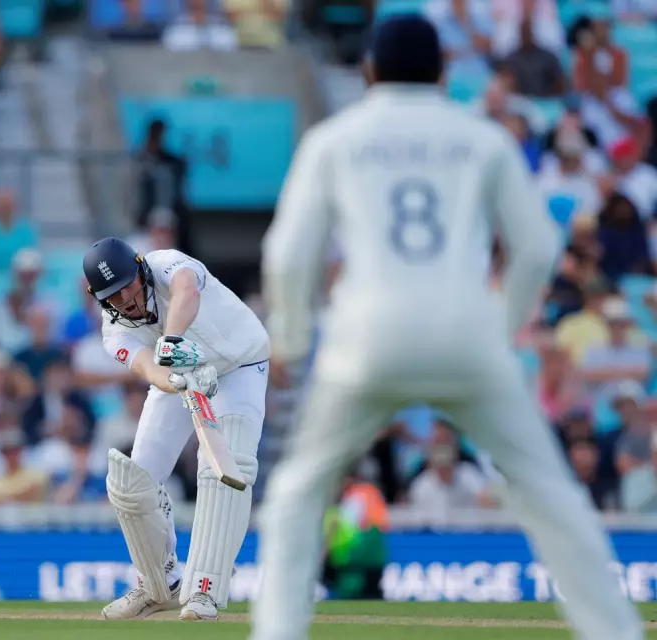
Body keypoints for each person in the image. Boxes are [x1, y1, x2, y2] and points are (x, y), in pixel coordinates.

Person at [251, 14, 643, 640]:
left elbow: (289, 255)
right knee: (551, 494)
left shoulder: (335, 138)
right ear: (442, 73)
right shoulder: (481, 138)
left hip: (366, 338)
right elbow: (538, 248)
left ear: (369, 72)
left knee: (299, 490)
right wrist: (503, 326)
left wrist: (292, 337)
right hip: (467, 332)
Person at [82, 237, 269, 621]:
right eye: (113, 297)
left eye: (128, 286)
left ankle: (205, 590)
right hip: (180, 376)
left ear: (140, 269)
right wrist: (177, 380)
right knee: (132, 481)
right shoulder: (114, 331)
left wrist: (171, 340)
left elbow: (187, 289)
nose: (126, 300)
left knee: (225, 470)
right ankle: (159, 585)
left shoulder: (165, 263)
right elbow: (150, 370)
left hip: (241, 366)